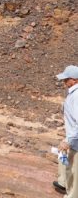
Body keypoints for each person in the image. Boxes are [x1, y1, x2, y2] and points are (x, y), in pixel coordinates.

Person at [54, 65, 78, 197]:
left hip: (75, 140)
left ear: (74, 80)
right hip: (73, 137)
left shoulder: (77, 95)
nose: (63, 81)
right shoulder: (73, 92)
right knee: (65, 161)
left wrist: (68, 140)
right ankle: (63, 183)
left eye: (66, 79)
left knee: (74, 172)